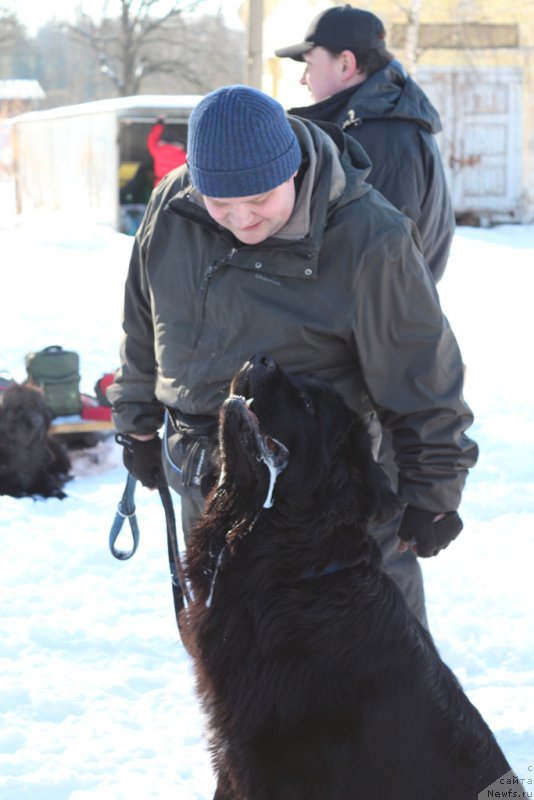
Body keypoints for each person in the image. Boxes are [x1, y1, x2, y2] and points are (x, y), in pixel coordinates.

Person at [107, 85, 478, 627]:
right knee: (242, 658)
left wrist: (434, 492)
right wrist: (137, 421)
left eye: (260, 200)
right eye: (222, 203)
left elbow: (421, 371)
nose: (242, 219)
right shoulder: (172, 205)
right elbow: (144, 322)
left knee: (359, 667)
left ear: (294, 169)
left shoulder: (369, 238)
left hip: (320, 497)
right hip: (205, 478)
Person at [275, 5, 454, 283]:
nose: (303, 79)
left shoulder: (382, 135)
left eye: (309, 64)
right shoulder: (377, 122)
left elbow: (379, 254)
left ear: (346, 63)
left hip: (372, 320)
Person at [146, 117, 187, 186]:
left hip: (160, 184)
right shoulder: (184, 156)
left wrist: (159, 124)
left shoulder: (157, 151)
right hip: (177, 185)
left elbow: (152, 139)